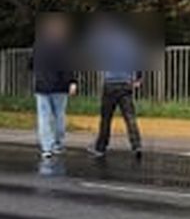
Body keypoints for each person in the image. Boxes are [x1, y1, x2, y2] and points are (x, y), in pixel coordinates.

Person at [87, 17, 144, 160]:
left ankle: (101, 147)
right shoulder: (129, 40)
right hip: (126, 83)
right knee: (130, 117)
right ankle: (136, 144)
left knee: (106, 118)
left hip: (110, 83)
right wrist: (137, 78)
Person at [30, 15, 77, 159]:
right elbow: (66, 66)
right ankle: (57, 144)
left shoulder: (38, 46)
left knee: (43, 118)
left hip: (41, 86)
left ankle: (46, 148)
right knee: (59, 116)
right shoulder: (62, 46)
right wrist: (72, 82)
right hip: (59, 86)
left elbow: (30, 64)